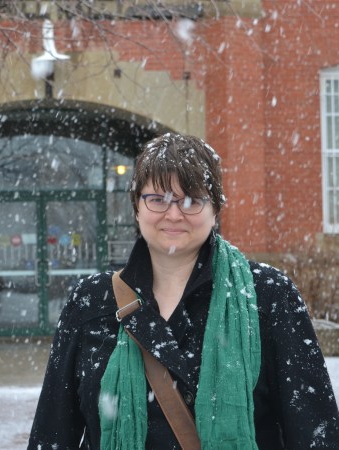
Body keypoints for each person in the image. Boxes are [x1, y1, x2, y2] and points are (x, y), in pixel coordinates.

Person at [28, 133, 339, 449]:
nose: (174, 214)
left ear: (215, 209)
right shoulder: (92, 302)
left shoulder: (269, 297)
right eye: (157, 199)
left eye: (191, 199)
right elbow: (52, 433)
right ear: (137, 207)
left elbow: (316, 433)